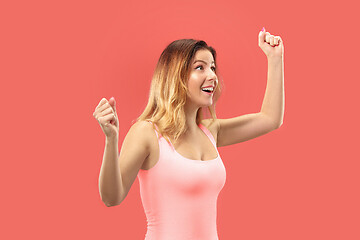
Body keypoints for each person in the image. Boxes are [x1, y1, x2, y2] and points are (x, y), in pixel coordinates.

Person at [93, 27, 284, 240]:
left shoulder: (211, 131)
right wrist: (111, 139)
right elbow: (112, 197)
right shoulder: (147, 132)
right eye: (200, 68)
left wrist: (275, 59)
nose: (212, 75)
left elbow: (270, 119)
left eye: (212, 67)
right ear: (176, 75)